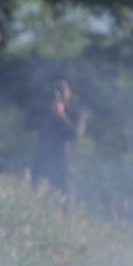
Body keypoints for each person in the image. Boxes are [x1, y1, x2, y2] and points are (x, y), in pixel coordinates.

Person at [28, 75, 88, 204]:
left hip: (64, 164)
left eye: (62, 89)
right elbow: (28, 126)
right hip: (43, 161)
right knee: (35, 199)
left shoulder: (76, 112)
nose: (59, 93)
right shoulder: (44, 109)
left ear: (69, 91)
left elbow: (76, 134)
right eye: (56, 89)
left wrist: (61, 116)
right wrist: (40, 107)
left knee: (66, 203)